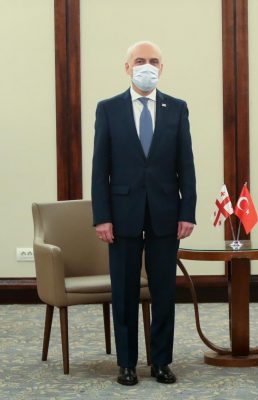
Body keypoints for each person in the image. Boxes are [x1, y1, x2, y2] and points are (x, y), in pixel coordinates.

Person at [92, 41, 197, 386]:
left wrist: (188, 211)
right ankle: (126, 363)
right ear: (127, 67)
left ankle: (161, 361)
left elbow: (186, 164)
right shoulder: (108, 109)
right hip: (121, 214)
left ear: (161, 68)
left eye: (153, 61)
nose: (146, 67)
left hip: (166, 213)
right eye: (140, 61)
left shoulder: (177, 108)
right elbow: (100, 169)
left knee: (164, 292)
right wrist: (102, 216)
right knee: (124, 292)